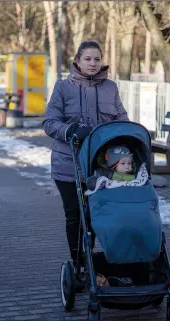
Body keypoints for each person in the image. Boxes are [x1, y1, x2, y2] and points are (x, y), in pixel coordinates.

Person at [42, 40, 129, 290]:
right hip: (68, 164)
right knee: (75, 217)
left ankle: (94, 264)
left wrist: (123, 132)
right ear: (77, 61)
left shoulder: (110, 88)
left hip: (100, 165)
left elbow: (121, 117)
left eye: (97, 59)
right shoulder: (63, 87)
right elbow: (50, 123)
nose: (93, 63)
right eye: (88, 59)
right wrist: (70, 129)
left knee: (95, 216)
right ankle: (78, 264)